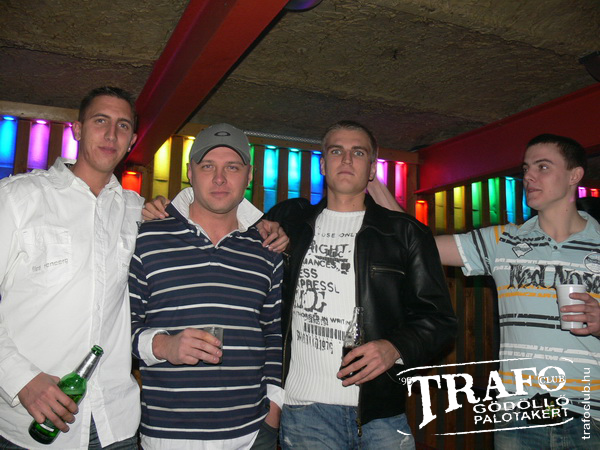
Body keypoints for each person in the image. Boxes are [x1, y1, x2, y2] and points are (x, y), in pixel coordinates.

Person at [373, 133, 600, 448]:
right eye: (526, 168)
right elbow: (417, 244)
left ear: (574, 175)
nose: (529, 176)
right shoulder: (503, 240)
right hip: (518, 414)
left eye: (543, 167)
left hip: (587, 416)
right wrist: (372, 179)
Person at [265, 120, 457, 449]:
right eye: (336, 151)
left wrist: (394, 347)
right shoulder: (291, 224)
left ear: (371, 169)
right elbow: (230, 219)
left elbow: (440, 321)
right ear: (323, 164)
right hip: (305, 411)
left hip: (381, 413)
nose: (346, 159)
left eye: (358, 152)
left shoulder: (406, 233)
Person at [0, 86, 142, 449]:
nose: (111, 134)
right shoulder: (18, 198)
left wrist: (268, 226)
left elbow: (202, 210)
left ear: (132, 141)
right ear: (77, 129)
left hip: (115, 424)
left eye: (123, 126)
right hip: (29, 423)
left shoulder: (136, 211)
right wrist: (21, 379)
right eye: (100, 121)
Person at [129, 123, 283, 449]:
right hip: (168, 435)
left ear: (249, 175)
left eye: (233, 167)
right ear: (190, 172)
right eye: (208, 166)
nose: (220, 178)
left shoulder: (268, 248)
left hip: (251, 434)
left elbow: (274, 335)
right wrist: (163, 346)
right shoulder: (147, 238)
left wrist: (273, 411)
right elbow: (120, 327)